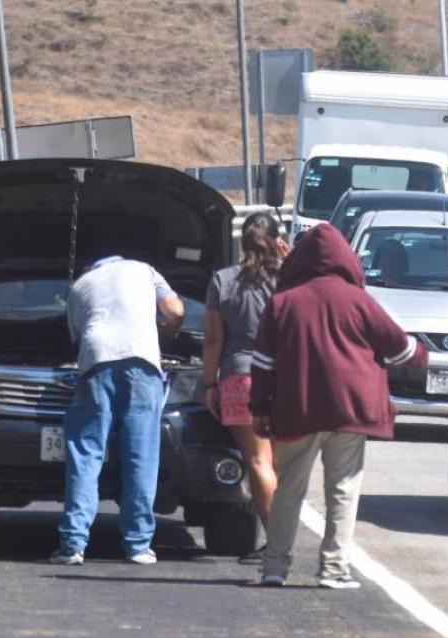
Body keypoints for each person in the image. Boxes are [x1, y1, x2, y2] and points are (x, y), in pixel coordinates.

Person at [250, 224, 428, 589]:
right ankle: (333, 570)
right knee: (343, 488)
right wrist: (423, 355)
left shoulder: (283, 302)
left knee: (289, 490)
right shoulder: (359, 300)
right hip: (351, 409)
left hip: (296, 409)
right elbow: (402, 350)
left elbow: (263, 364)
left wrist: (260, 409)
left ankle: (275, 567)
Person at [50, 255, 185, 566]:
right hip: (142, 362)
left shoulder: (80, 286)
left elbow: (77, 337)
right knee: (141, 455)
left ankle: (73, 544)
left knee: (87, 453)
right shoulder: (145, 270)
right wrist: (166, 334)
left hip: (97, 360)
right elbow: (175, 310)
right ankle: (138, 545)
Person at [203, 213, 289, 561]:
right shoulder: (290, 280)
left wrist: (210, 383)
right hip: (286, 377)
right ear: (277, 239)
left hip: (240, 376)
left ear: (242, 243)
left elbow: (213, 338)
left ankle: (277, 543)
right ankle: (283, 537)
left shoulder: (222, 281)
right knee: (282, 464)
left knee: (257, 461)